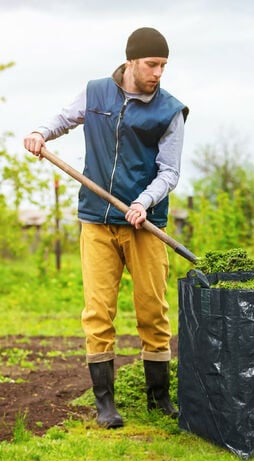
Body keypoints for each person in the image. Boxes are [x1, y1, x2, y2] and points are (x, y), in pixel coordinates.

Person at [24, 27, 189, 428]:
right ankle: (105, 404)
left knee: (153, 311)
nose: (158, 73)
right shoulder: (96, 92)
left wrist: (142, 202)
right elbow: (65, 118)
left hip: (144, 226)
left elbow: (169, 172)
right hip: (96, 221)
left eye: (164, 65)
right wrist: (39, 133)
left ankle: (159, 399)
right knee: (98, 312)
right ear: (131, 60)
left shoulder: (170, 111)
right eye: (152, 64)